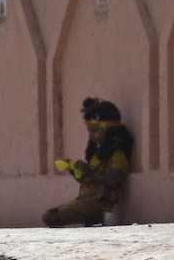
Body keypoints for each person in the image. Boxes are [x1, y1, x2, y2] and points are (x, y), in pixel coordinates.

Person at [43, 97, 134, 227]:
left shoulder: (117, 155)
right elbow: (90, 180)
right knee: (50, 215)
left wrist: (89, 171)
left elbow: (114, 181)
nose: (91, 135)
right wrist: (74, 170)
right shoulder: (97, 155)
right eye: (90, 131)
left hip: (104, 203)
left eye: (95, 131)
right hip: (87, 199)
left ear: (110, 130)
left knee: (55, 216)